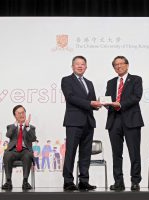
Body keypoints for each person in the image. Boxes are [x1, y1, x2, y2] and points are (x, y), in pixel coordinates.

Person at [61, 55, 102, 191]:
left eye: (82, 64)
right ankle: (68, 181)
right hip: (73, 122)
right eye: (77, 64)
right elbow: (71, 98)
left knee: (86, 153)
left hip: (88, 122)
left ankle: (84, 181)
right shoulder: (66, 80)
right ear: (72, 66)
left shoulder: (89, 83)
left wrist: (97, 104)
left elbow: (92, 101)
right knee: (71, 152)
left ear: (86, 67)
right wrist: (90, 103)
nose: (80, 66)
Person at [104, 56, 144, 191]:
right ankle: (118, 182)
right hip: (114, 121)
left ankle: (135, 181)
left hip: (131, 120)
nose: (119, 66)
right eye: (116, 65)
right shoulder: (110, 82)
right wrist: (105, 103)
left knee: (134, 152)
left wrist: (120, 104)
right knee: (116, 154)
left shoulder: (136, 79)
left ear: (127, 65)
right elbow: (107, 99)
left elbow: (136, 97)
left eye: (121, 64)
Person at [2, 105, 37, 190]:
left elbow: (33, 139)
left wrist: (27, 127)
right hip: (13, 150)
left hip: (25, 150)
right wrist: (15, 124)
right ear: (15, 115)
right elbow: (8, 135)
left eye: (23, 112)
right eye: (19, 113)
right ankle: (8, 182)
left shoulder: (31, 127)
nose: (22, 115)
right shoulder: (11, 126)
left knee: (28, 155)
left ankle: (25, 182)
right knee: (7, 155)